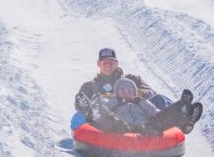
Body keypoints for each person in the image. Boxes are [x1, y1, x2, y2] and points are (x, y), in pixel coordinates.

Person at [73, 48, 203, 134]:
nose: (107, 65)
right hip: (113, 116)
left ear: (117, 64)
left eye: (111, 62)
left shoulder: (132, 79)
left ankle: (183, 118)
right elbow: (81, 104)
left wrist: (135, 95)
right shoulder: (91, 85)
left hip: (140, 113)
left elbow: (151, 93)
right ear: (98, 64)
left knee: (160, 99)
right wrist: (107, 99)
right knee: (95, 110)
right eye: (104, 63)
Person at [90, 78, 203, 134]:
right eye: (122, 90)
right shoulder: (114, 101)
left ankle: (182, 113)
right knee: (109, 118)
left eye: (129, 91)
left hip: (145, 128)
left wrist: (164, 116)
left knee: (160, 118)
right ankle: (93, 108)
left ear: (134, 93)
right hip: (122, 127)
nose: (126, 93)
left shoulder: (140, 101)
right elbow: (105, 107)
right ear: (117, 93)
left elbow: (154, 111)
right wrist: (99, 106)